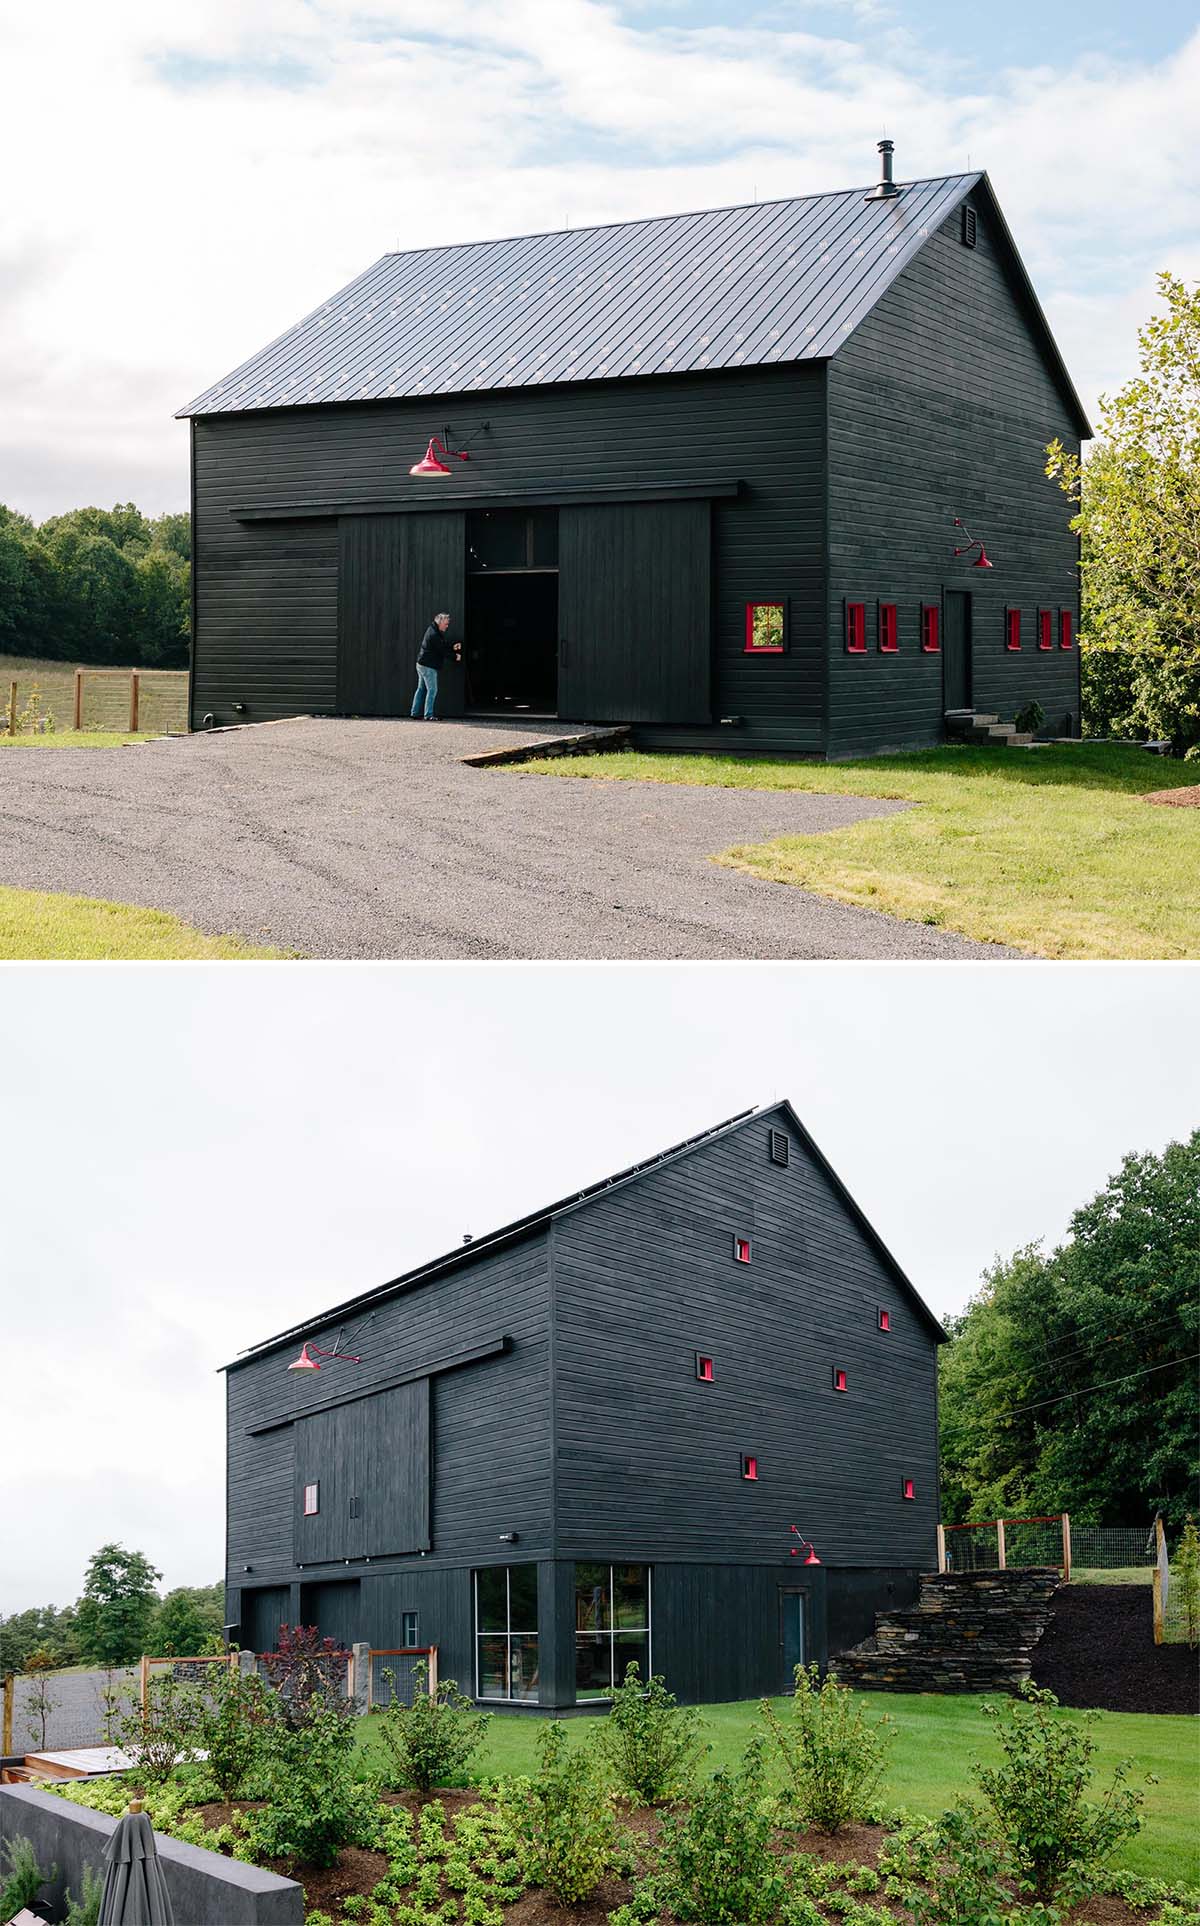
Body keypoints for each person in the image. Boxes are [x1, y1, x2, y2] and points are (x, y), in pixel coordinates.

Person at [411, 612, 457, 720]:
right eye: (445, 624)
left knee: (421, 689)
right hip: (428, 666)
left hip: (421, 664)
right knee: (432, 690)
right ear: (439, 622)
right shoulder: (434, 634)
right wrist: (455, 657)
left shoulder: (434, 630)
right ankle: (428, 715)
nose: (447, 626)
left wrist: (452, 647)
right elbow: (442, 651)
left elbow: (442, 644)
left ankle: (415, 712)